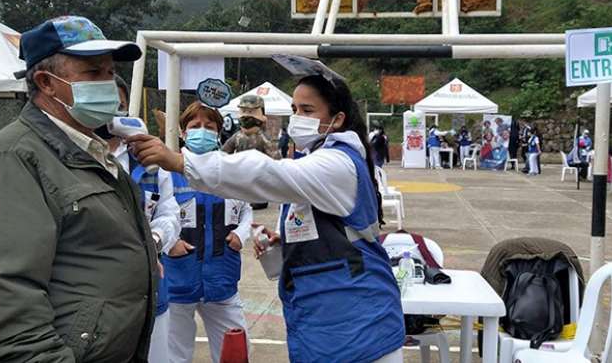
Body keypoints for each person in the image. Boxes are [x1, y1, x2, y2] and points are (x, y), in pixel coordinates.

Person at [128, 62, 406, 363]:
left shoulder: (337, 162)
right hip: (328, 316)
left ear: (337, 119)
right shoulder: (320, 157)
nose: (298, 118)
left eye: (308, 110)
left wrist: (182, 161)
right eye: (294, 108)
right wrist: (287, 243)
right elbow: (330, 228)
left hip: (354, 318)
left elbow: (265, 173)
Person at [0, 16, 158, 362]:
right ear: (45, 83)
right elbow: (8, 304)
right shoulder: (12, 160)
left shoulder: (90, 149)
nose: (109, 84)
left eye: (110, 73)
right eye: (93, 73)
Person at [100, 76, 181, 363]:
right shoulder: (65, 159)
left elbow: (170, 213)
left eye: (119, 104)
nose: (111, 109)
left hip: (149, 292)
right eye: (102, 100)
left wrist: (154, 242)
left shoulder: (150, 164)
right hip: (93, 303)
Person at [165, 102, 252, 363]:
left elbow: (247, 208)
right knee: (174, 354)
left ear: (218, 132)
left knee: (235, 350)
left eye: (209, 127)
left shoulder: (231, 169)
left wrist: (241, 234)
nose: (201, 131)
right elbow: (151, 213)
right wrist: (170, 243)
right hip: (178, 278)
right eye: (194, 126)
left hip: (222, 278)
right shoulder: (167, 170)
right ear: (183, 132)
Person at [222, 95, 279, 159]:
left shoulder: (264, 138)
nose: (246, 116)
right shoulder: (237, 136)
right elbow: (223, 154)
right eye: (243, 111)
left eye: (250, 112)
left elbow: (276, 161)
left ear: (263, 117)